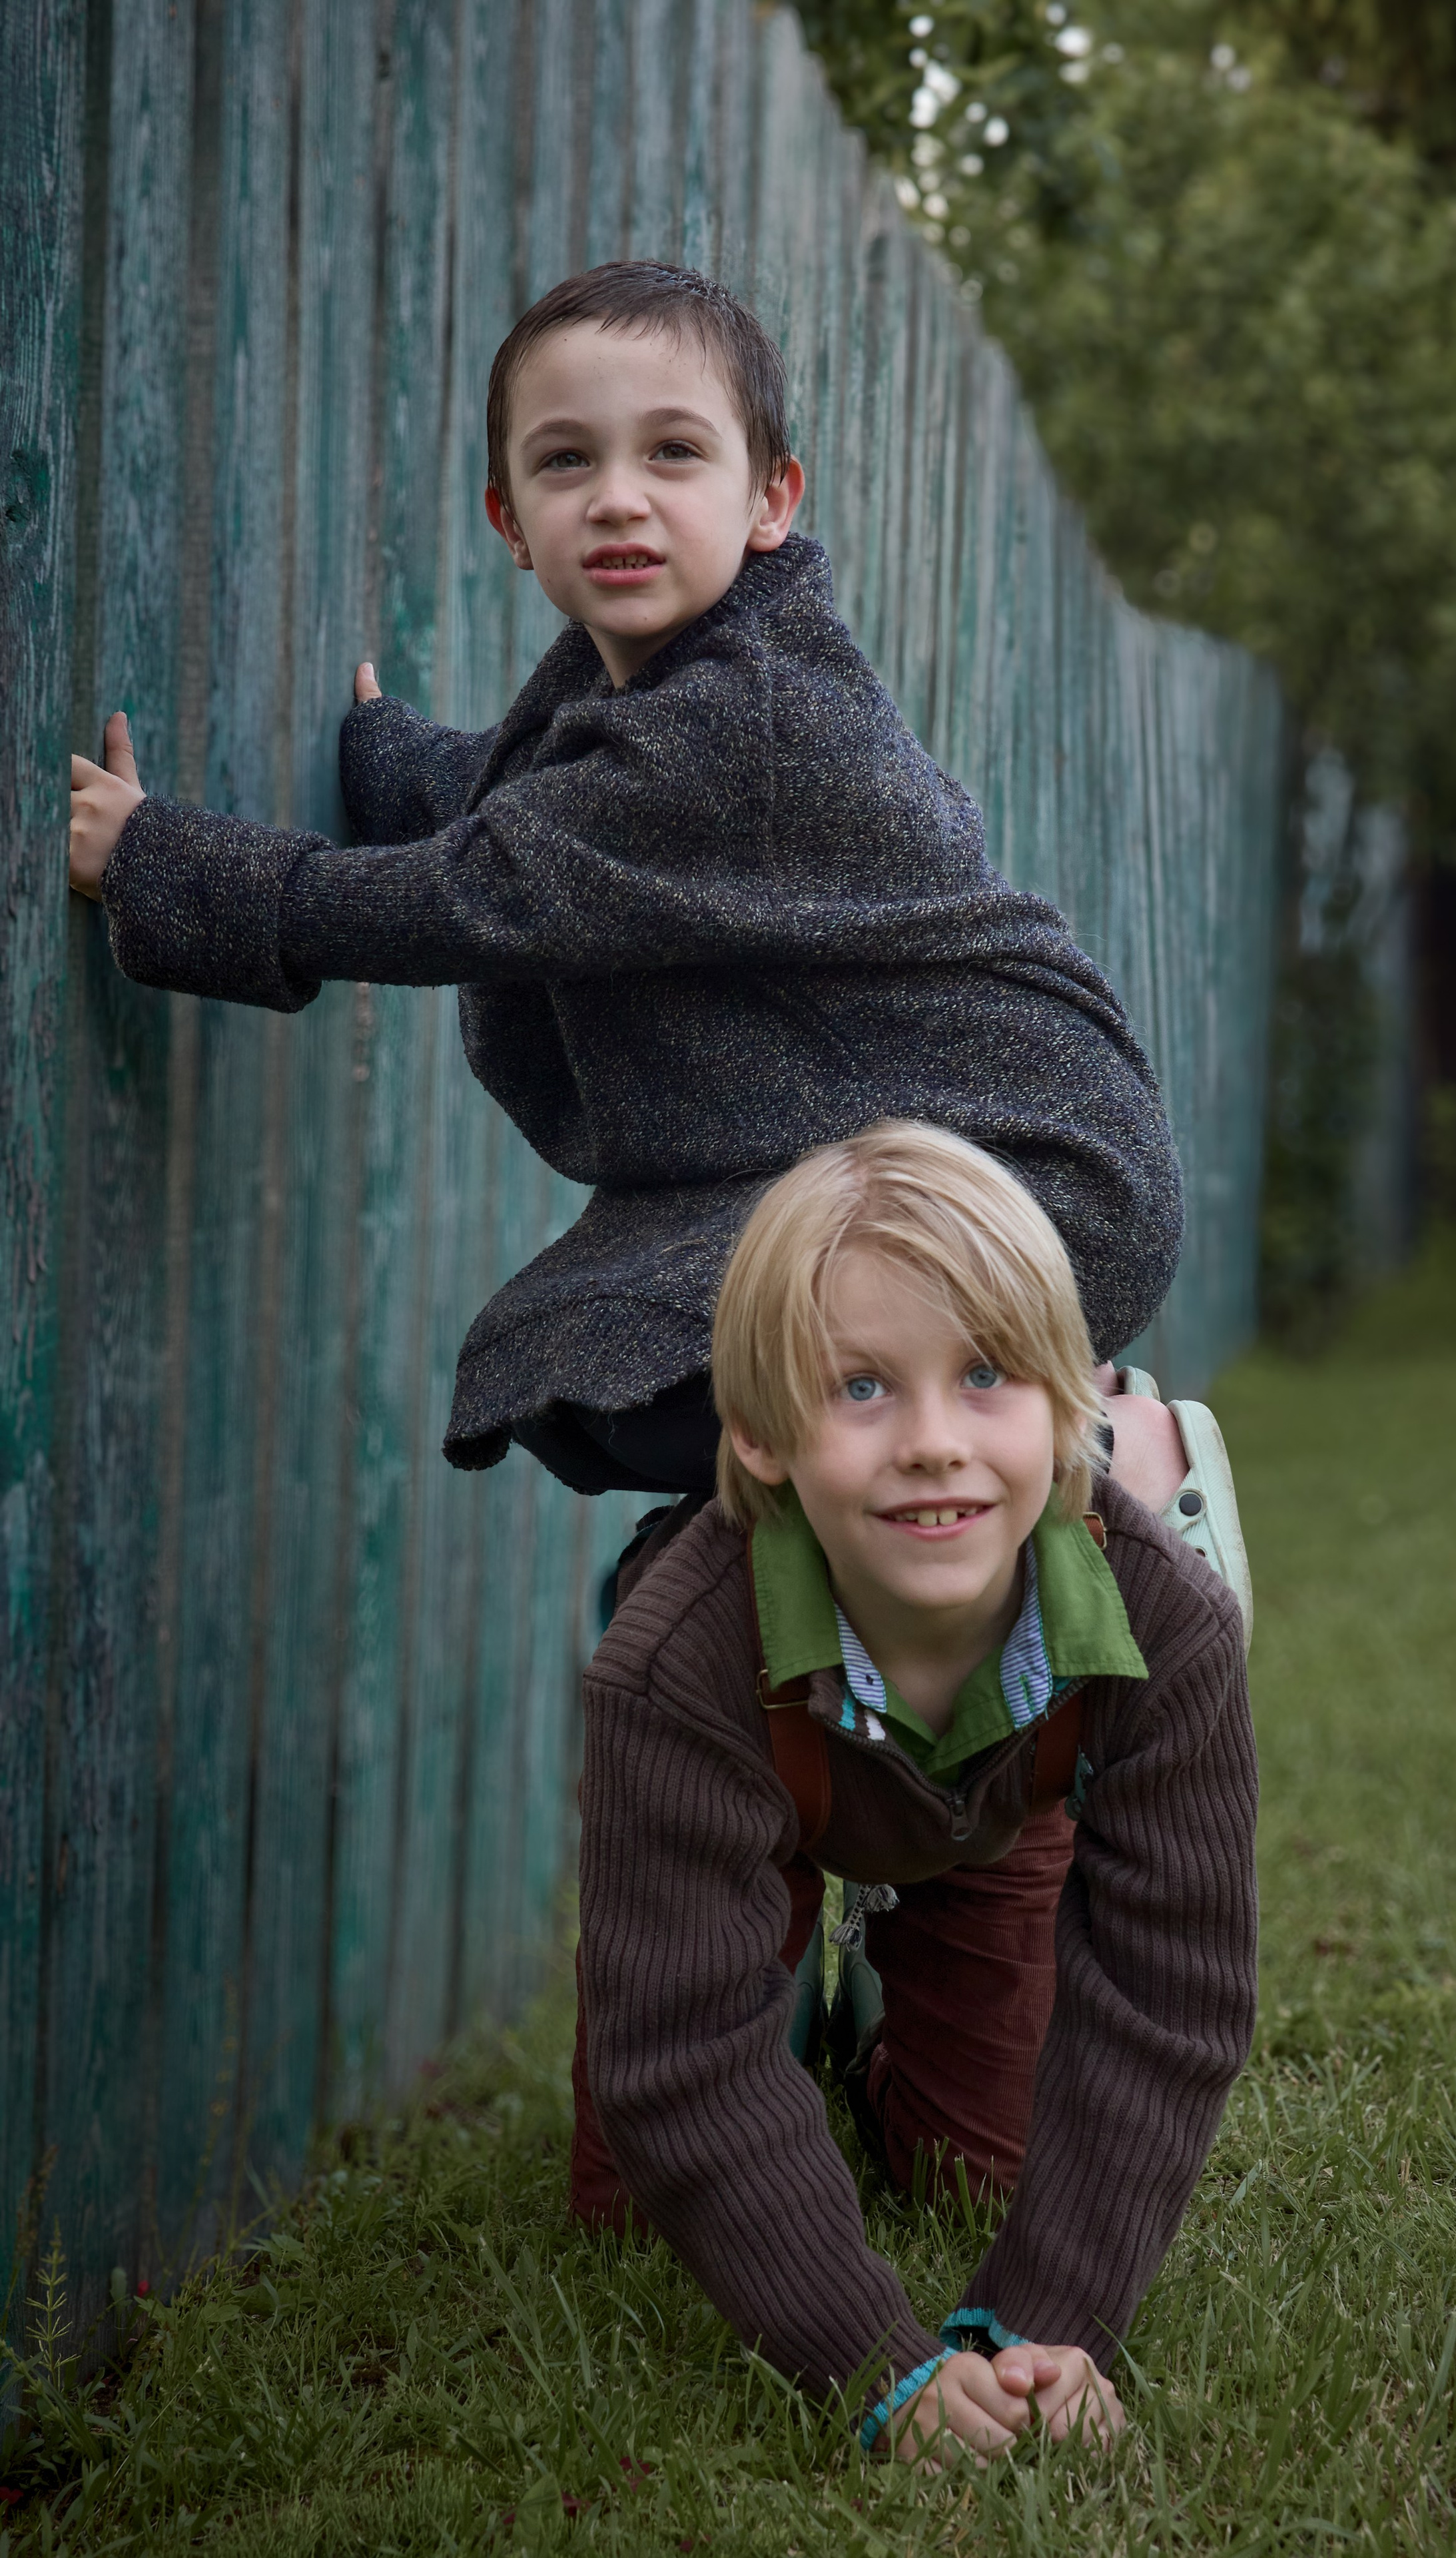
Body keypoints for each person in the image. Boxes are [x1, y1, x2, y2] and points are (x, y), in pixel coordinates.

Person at [66, 259, 1201, 1523]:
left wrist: (158, 860)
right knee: (616, 1388)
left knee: (631, 1387)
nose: (619, 499)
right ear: (509, 520)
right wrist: (395, 758)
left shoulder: (745, 715)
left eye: (672, 454)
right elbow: (552, 814)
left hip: (1034, 1184)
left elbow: (493, 889)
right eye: (567, 463)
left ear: (770, 500)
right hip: (923, 1161)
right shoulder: (666, 689)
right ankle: (951, 1477)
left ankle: (1108, 1480)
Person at [575, 1121, 1258, 2463]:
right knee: (644, 2208)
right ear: (762, 1435)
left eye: (987, 1377)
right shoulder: (664, 1671)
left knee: (980, 2172)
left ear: (1071, 1411)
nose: (934, 1443)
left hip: (993, 1798)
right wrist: (873, 2370)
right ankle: (788, 1980)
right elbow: (676, 2058)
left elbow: (1167, 1994)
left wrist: (1034, 2326)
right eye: (861, 1389)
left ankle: (882, 2004)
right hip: (765, 1781)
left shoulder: (1163, 1628)